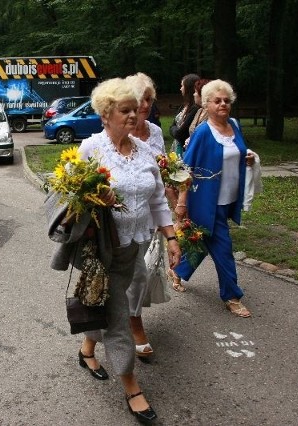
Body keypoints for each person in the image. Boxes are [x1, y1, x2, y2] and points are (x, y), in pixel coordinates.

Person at [52, 78, 181, 423]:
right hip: (104, 248)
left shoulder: (145, 152)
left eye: (136, 110)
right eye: (125, 111)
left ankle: (87, 349)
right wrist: (96, 196)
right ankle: (131, 386)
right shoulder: (91, 149)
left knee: (107, 300)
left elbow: (156, 199)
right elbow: (70, 196)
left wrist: (171, 237)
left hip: (137, 247)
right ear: (106, 115)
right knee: (118, 316)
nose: (134, 115)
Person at [169, 79, 256, 317]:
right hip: (205, 201)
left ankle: (178, 270)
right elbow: (186, 168)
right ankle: (232, 295)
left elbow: (235, 152)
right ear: (206, 104)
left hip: (227, 199)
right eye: (217, 101)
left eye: (227, 100)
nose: (223, 104)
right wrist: (182, 202)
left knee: (201, 241)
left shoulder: (234, 126)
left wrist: (245, 159)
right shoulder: (203, 132)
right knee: (223, 247)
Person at [123, 72, 173, 359]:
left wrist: (177, 205)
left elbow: (162, 173)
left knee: (146, 271)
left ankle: (126, 318)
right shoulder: (117, 132)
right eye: (140, 98)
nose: (144, 105)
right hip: (125, 216)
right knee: (133, 274)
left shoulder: (154, 132)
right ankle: (134, 324)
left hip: (152, 215)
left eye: (149, 99)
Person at [169, 73, 200, 156]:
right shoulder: (184, 106)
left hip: (184, 150)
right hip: (176, 147)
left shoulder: (195, 109)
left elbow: (180, 134)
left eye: (182, 86)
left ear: (188, 88)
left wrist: (174, 130)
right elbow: (172, 126)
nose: (180, 89)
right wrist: (174, 129)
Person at [186, 78, 212, 148]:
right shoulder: (199, 111)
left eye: (195, 92)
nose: (194, 95)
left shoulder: (211, 115)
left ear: (202, 95)